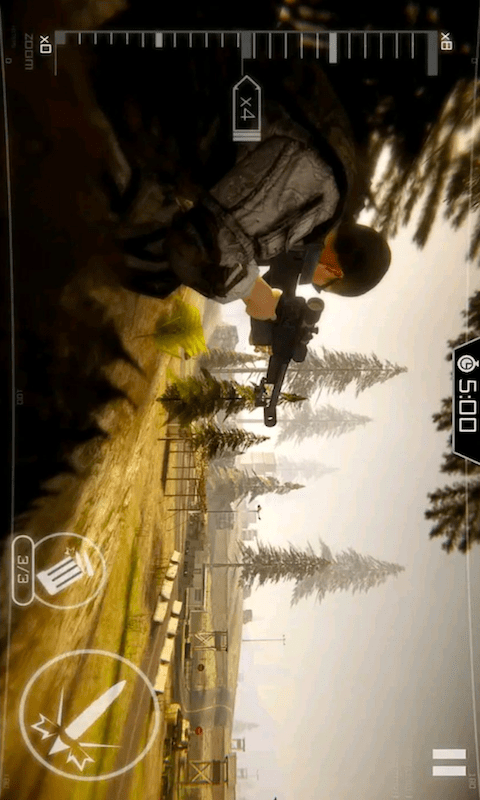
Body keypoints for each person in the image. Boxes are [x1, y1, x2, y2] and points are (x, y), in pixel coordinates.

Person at [114, 58, 391, 316]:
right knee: (158, 269)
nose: (314, 282)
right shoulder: (319, 190)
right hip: (161, 96)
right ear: (334, 271)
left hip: (193, 78)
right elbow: (192, 245)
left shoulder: (335, 171)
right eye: (323, 286)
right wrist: (254, 294)